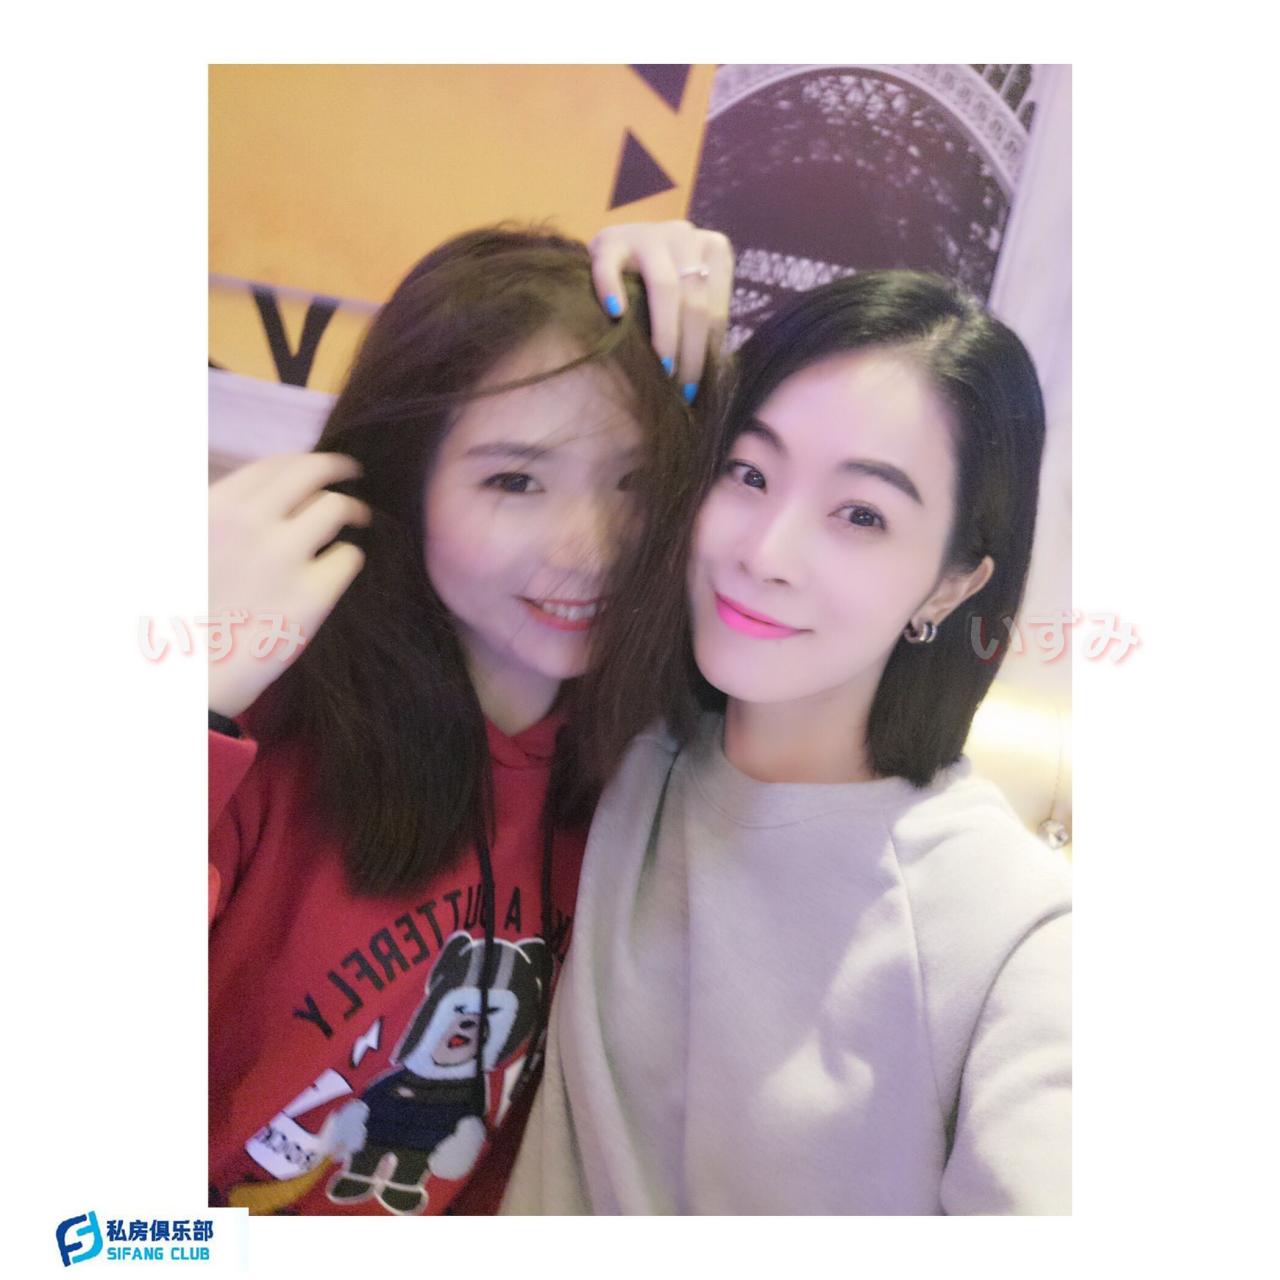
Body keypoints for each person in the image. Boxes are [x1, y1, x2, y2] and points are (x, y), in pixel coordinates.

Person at [502, 267, 1072, 1214]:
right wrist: (606, 287)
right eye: (749, 473)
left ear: (951, 584)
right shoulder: (614, 738)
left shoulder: (1009, 930)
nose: (764, 554)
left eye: (862, 515)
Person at [207, 223, 730, 1216]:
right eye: (513, 480)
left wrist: (714, 338)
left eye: (634, 482)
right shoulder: (261, 729)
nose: (590, 550)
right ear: (405, 481)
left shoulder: (649, 772)